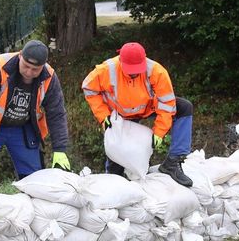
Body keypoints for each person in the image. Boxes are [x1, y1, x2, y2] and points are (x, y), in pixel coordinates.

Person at [82, 41, 193, 187]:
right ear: (120, 61)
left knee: (185, 107)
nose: (134, 73)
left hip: (148, 107)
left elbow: (167, 103)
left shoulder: (156, 71)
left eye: (137, 69)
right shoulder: (106, 70)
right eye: (130, 70)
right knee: (117, 160)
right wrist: (104, 116)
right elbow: (88, 88)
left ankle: (173, 161)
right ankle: (113, 179)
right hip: (121, 115)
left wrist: (159, 132)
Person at [0, 40, 71, 189]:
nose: (29, 72)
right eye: (26, 66)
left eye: (35, 69)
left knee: (35, 179)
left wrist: (60, 149)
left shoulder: (49, 77)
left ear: (43, 66)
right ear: (20, 56)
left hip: (23, 128)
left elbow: (57, 113)